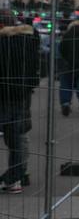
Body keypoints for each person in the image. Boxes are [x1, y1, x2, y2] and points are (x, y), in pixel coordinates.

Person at [0, 15, 41, 193]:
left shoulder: (3, 43)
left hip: (3, 95)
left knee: (14, 137)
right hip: (22, 94)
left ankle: (14, 176)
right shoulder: (28, 39)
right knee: (18, 136)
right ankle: (16, 177)